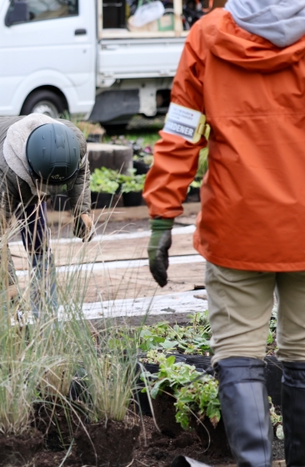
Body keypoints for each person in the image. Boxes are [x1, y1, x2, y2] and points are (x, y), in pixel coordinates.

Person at [143, 1, 305, 465]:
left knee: (238, 355)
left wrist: (161, 218)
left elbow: (181, 132)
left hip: (238, 228)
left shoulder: (208, 35)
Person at [0, 114, 93, 316]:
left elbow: (81, 174)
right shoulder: (7, 170)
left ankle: (46, 314)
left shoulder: (73, 143)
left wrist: (81, 211)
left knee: (38, 240)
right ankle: (4, 318)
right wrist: (7, 282)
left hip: (28, 169)